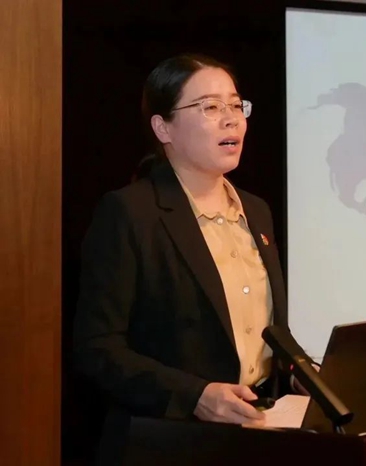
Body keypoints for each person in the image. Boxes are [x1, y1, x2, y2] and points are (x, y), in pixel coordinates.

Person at [73, 54, 290, 465]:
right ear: (163, 127)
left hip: (256, 436)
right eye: (210, 107)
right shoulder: (130, 213)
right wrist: (196, 396)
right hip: (167, 443)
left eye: (235, 105)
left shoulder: (257, 210)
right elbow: (97, 348)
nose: (231, 119)